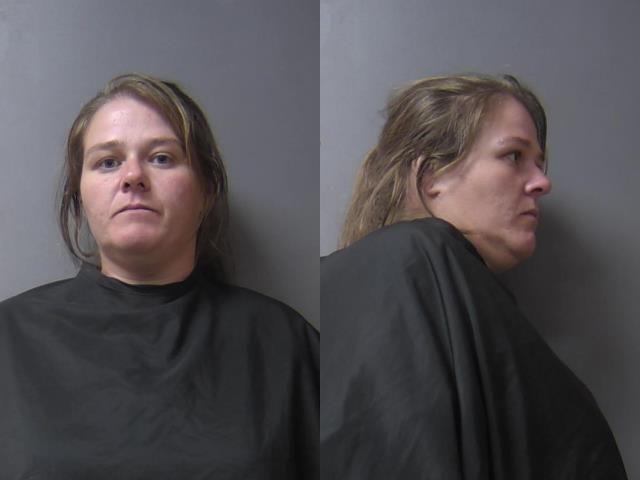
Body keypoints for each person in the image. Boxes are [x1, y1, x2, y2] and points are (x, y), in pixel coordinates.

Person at [0, 73, 318, 479]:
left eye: (162, 157)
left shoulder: (282, 343)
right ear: (79, 195)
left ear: (206, 190)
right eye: (108, 162)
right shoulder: (10, 339)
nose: (132, 176)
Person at [321, 74, 627, 479]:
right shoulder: (408, 258)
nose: (542, 182)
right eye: (513, 156)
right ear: (432, 177)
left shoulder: (453, 298)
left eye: (538, 163)